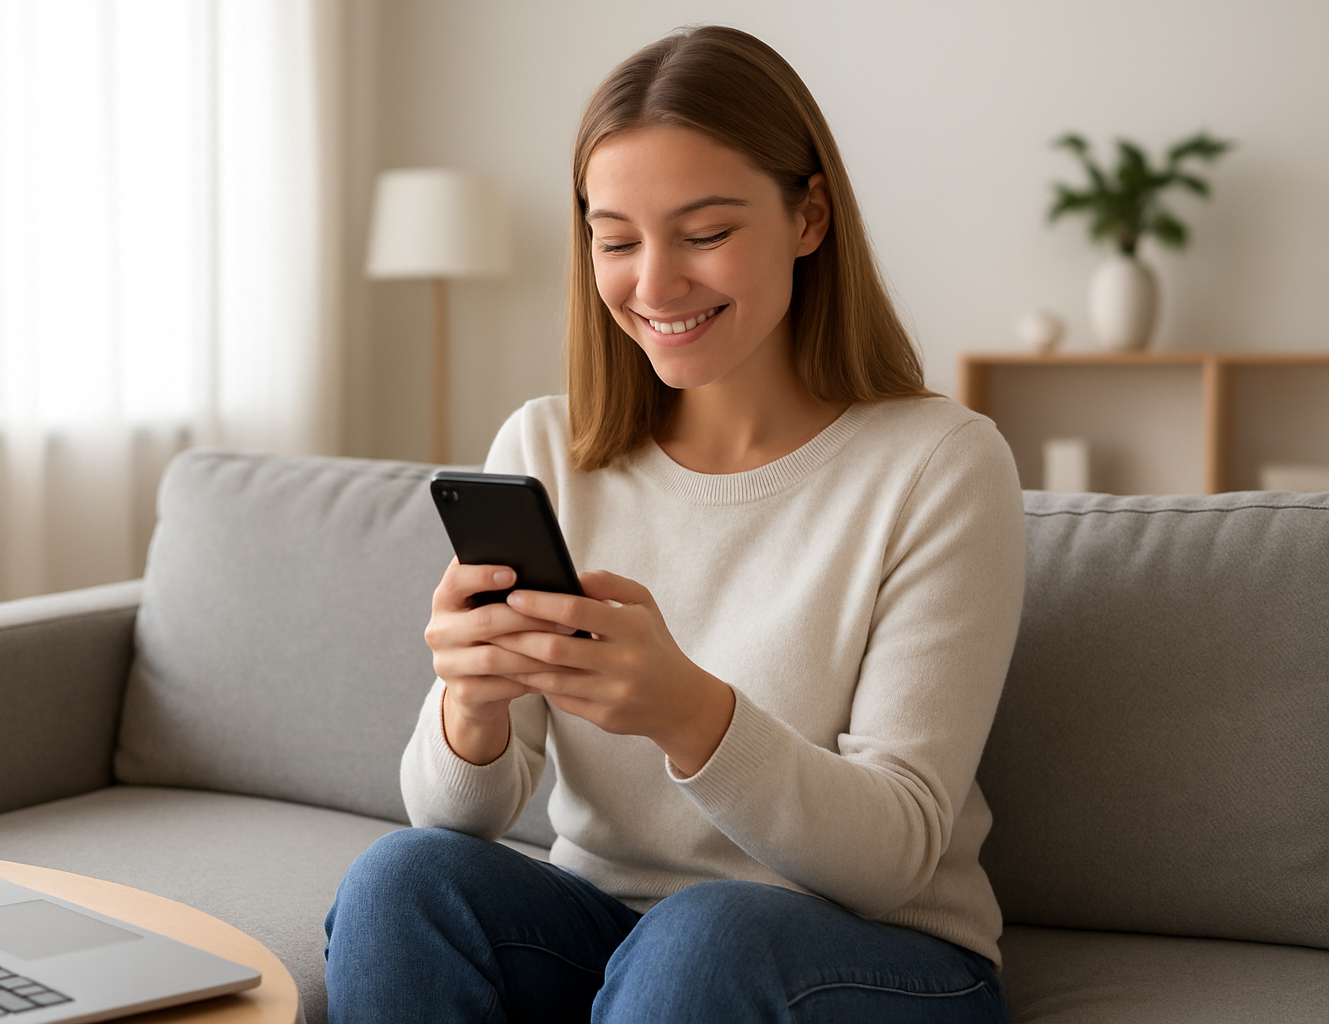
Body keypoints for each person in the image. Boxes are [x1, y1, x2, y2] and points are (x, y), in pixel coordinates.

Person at [324, 25, 1024, 1024]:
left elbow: (895, 851)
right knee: (402, 882)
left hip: (880, 955)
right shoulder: (544, 449)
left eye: (704, 234)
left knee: (701, 944)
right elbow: (453, 819)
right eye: (616, 240)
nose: (653, 286)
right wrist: (470, 709)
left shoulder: (939, 464)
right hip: (620, 936)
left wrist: (688, 712)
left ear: (809, 216)